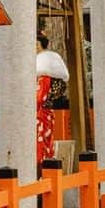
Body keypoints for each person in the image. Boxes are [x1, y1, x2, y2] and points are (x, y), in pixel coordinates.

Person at [36, 34, 69, 166]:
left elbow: (39, 97)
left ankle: (42, 166)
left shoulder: (44, 72)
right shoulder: (47, 68)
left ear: (39, 44)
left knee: (41, 141)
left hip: (40, 110)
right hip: (46, 109)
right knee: (45, 140)